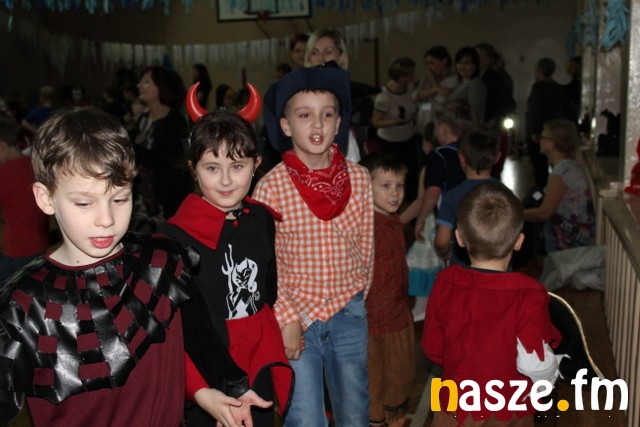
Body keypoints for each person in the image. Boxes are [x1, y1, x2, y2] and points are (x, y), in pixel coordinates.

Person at [253, 66, 374, 427]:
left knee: (355, 412)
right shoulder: (271, 188)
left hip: (348, 311)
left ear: (339, 124)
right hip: (297, 318)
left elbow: (366, 247)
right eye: (304, 116)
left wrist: (357, 298)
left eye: (327, 114)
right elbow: (267, 263)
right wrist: (287, 318)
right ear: (286, 126)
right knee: (304, 417)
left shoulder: (360, 179)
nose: (317, 125)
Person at [161, 110, 293, 427]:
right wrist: (199, 388)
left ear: (255, 164)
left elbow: (268, 289)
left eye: (237, 166)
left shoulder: (261, 219)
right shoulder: (174, 239)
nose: (225, 180)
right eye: (212, 167)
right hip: (206, 368)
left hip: (257, 359)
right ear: (193, 169)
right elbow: (175, 328)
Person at [423, 181, 562, 427]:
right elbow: (533, 359)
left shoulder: (444, 282)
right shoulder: (529, 292)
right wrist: (549, 377)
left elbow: (432, 346)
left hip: (455, 403)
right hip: (509, 406)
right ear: (519, 241)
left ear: (459, 238)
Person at [360, 152, 415, 427]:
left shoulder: (394, 222)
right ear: (365, 186)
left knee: (399, 378)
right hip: (372, 325)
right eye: (385, 185)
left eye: (400, 185)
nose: (395, 193)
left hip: (397, 318)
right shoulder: (364, 226)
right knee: (374, 384)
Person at [130, 66, 192, 227]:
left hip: (164, 202)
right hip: (140, 201)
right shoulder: (143, 119)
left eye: (146, 82)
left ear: (162, 87)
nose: (139, 85)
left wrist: (128, 145)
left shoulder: (174, 121)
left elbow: (160, 161)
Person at [523, 119, 594, 253]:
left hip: (568, 245)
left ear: (552, 143)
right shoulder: (570, 166)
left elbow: (544, 212)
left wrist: (515, 214)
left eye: (542, 136)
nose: (539, 140)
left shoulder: (562, 172)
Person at [434, 126, 501, 266]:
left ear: (461, 158)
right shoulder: (507, 194)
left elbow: (442, 241)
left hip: (464, 271)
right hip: (500, 270)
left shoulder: (453, 196)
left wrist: (446, 252)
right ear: (497, 157)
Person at [401, 122, 444, 322]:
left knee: (421, 260)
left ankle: (422, 307)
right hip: (445, 221)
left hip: (431, 221)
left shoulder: (429, 168)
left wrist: (398, 221)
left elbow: (421, 201)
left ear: (427, 143)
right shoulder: (454, 160)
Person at [414, 99, 472, 241]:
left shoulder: (438, 155)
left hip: (450, 220)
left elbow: (433, 191)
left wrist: (421, 219)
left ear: (443, 129)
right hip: (474, 216)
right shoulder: (472, 152)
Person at [0, 119, 50, 286]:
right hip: (42, 245)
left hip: (18, 250)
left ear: (1, 147)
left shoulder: (4, 173)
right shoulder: (34, 164)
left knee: (7, 294)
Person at [371, 57, 420, 201]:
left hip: (408, 138)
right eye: (410, 74)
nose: (413, 77)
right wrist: (396, 121)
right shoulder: (384, 97)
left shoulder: (410, 88)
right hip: (390, 142)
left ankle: (411, 202)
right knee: (392, 174)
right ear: (402, 77)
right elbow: (376, 122)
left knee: (411, 174)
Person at [525, 57, 571, 189]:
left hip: (540, 132)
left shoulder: (538, 88)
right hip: (554, 130)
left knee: (539, 166)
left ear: (539, 71)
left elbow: (535, 110)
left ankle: (542, 191)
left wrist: (533, 131)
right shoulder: (557, 88)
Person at [413, 45, 459, 133]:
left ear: (444, 62)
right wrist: (435, 90)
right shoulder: (426, 78)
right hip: (422, 126)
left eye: (432, 63)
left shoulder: (454, 80)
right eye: (427, 64)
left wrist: (433, 83)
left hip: (440, 130)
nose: (428, 67)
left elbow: (442, 100)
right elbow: (415, 96)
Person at [449, 46, 487, 124]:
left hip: (466, 127)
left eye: (467, 63)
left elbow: (475, 111)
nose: (462, 66)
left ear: (475, 65)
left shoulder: (476, 83)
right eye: (459, 63)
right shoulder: (460, 83)